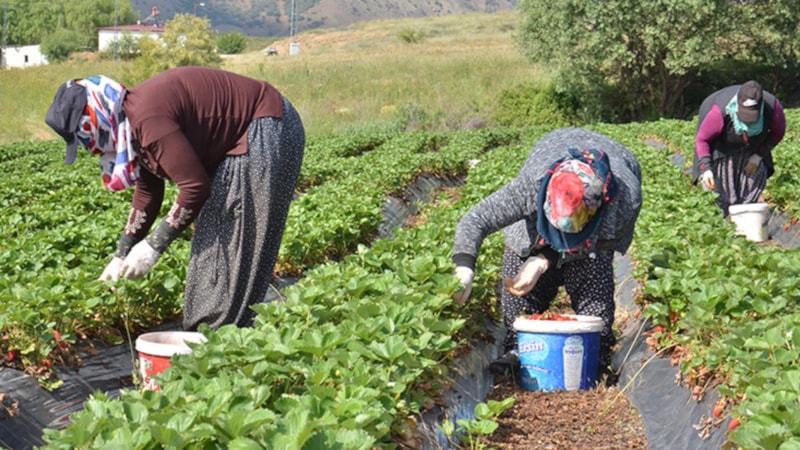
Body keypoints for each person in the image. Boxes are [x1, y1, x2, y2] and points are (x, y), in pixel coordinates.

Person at [45, 66, 305, 331]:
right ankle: (210, 334)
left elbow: (195, 187)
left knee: (236, 240)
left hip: (266, 126)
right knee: (213, 240)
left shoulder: (147, 118)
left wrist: (153, 246)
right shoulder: (128, 125)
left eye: (83, 135)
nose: (88, 146)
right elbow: (149, 192)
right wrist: (121, 252)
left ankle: (227, 336)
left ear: (94, 117)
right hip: (245, 134)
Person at [452, 128, 642, 379]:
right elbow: (476, 220)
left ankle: (596, 355)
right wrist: (464, 268)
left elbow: (598, 245)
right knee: (519, 286)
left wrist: (544, 261)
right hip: (547, 164)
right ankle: (517, 348)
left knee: (594, 288)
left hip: (595, 241)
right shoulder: (531, 187)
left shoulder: (625, 201)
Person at [693, 80, 786, 217]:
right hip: (722, 146)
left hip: (754, 145)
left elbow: (778, 133)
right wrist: (706, 169)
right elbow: (702, 140)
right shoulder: (719, 112)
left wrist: (758, 156)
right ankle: (721, 218)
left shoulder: (772, 107)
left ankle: (745, 215)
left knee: (754, 179)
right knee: (718, 187)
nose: (748, 122)